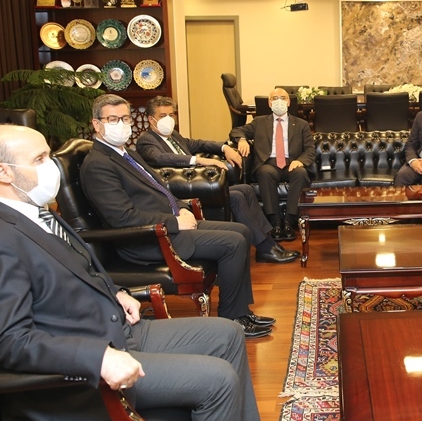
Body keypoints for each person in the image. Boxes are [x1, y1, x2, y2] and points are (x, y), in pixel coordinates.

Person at [0, 124, 295, 421]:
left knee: (227, 334)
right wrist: (98, 358)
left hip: (116, 327)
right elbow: (11, 342)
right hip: (84, 369)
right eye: (40, 159)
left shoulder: (34, 214)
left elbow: (80, 269)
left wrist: (115, 292)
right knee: (217, 378)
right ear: (2, 172)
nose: (52, 167)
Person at [80, 94, 272, 338]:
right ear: (97, 124)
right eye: (113, 119)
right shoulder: (98, 164)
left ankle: (241, 311)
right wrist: (174, 222)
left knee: (242, 231)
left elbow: (160, 188)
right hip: (148, 238)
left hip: (169, 225)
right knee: (232, 242)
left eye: (125, 118)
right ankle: (232, 317)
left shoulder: (127, 154)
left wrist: (181, 208)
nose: (121, 124)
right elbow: (122, 218)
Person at [136, 96, 299, 264]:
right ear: (151, 119)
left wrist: (224, 147)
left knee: (246, 189)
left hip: (199, 186)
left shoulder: (173, 136)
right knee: (236, 197)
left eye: (171, 115)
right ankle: (266, 249)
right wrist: (200, 161)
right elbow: (160, 158)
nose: (169, 119)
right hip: (180, 192)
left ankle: (268, 243)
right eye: (163, 116)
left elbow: (198, 144)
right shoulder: (146, 140)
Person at [229, 88, 315, 241]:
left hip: (292, 163)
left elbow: (310, 150)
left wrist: (300, 161)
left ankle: (289, 222)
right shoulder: (259, 122)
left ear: (288, 102)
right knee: (265, 172)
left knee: (301, 173)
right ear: (269, 103)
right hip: (268, 163)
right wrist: (242, 140)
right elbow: (236, 131)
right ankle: (275, 222)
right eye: (275, 98)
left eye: (283, 98)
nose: (279, 101)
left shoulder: (301, 124)